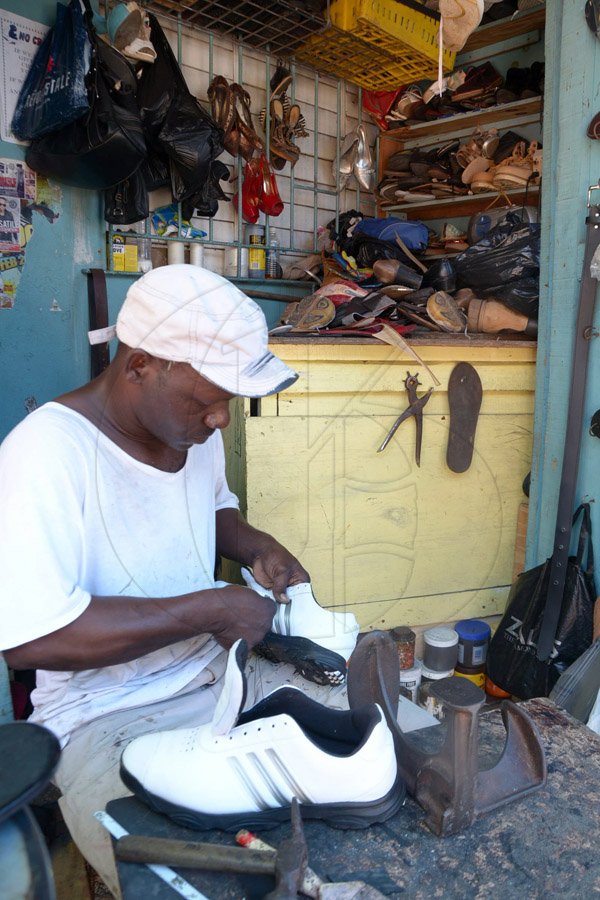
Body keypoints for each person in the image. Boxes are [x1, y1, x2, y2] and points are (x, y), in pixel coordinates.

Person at [0, 264, 347, 896]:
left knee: (373, 741)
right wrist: (210, 610)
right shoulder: (45, 455)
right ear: (138, 366)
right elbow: (30, 638)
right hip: (102, 716)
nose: (222, 420)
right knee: (192, 880)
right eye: (209, 399)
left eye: (229, 402)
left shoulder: (191, 433)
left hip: (218, 674)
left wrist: (252, 545)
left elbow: (211, 510)